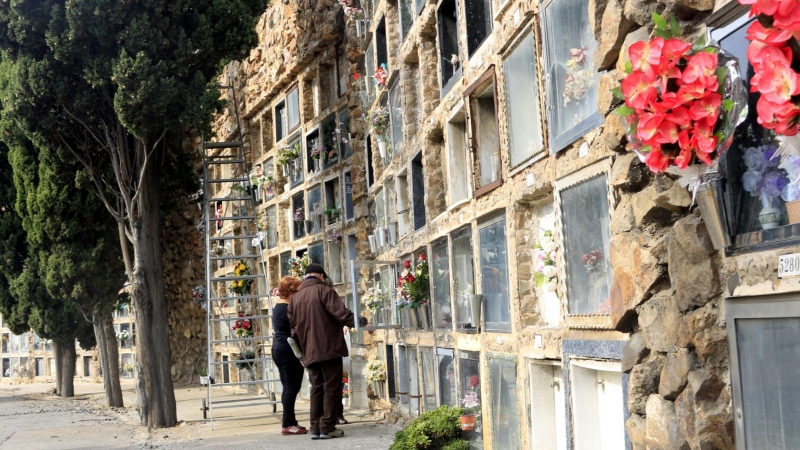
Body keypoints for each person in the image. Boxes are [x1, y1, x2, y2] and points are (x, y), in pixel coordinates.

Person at [288, 263, 361, 440]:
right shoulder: (324, 290)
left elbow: (293, 330)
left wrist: (301, 353)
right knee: (331, 387)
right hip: (328, 348)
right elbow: (341, 313)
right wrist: (362, 322)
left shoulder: (295, 299)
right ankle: (327, 427)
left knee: (316, 388)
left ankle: (315, 427)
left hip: (309, 350)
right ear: (321, 276)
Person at [272, 276, 307, 435]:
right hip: (288, 350)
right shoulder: (287, 308)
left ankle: (291, 421)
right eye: (298, 291)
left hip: (280, 348)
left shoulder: (279, 306)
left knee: (288, 387)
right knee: (292, 387)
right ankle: (287, 425)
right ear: (291, 292)